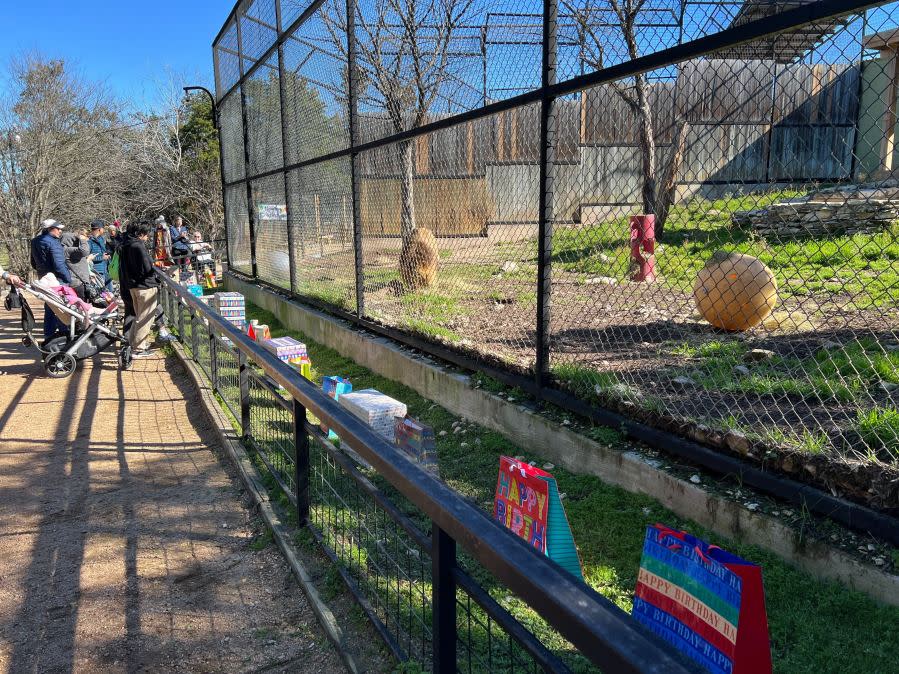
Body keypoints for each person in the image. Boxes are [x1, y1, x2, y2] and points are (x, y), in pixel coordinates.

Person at [120, 221, 160, 358]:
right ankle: (139, 348)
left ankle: (132, 344)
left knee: (138, 316)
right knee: (145, 318)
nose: (147, 237)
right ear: (141, 234)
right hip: (145, 286)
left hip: (132, 286)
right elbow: (147, 266)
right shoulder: (138, 245)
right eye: (146, 235)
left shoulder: (124, 245)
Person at [30, 219, 71, 340]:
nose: (60, 231)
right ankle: (65, 336)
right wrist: (67, 278)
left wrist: (42, 272)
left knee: (49, 307)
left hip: (43, 277)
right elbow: (59, 265)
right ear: (50, 229)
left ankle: (48, 335)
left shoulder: (35, 241)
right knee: (62, 309)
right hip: (57, 279)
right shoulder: (53, 243)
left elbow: (33, 262)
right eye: (58, 228)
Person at [60, 226, 92, 299]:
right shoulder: (67, 250)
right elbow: (85, 251)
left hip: (80, 281)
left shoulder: (67, 250)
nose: (76, 242)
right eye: (74, 240)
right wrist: (83, 240)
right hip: (78, 283)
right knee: (82, 307)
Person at [88, 220, 112, 291]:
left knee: (110, 292)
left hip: (106, 269)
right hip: (97, 272)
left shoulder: (101, 239)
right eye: (103, 228)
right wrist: (102, 258)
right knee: (101, 293)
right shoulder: (89, 242)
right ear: (99, 229)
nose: (104, 230)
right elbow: (88, 258)